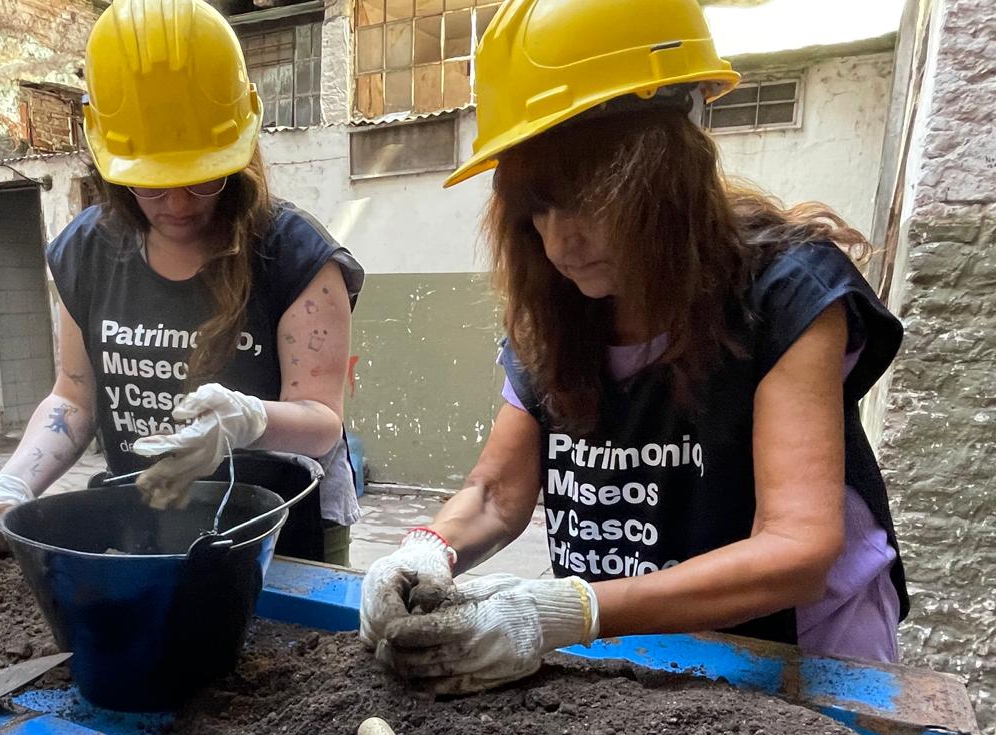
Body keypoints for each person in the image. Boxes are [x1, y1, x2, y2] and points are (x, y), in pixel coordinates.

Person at [360, 0, 908, 695]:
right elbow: (497, 495)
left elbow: (794, 551)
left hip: (800, 660)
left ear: (667, 174)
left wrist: (567, 608)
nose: (561, 244)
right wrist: (425, 551)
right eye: (538, 209)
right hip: (632, 648)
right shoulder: (556, 313)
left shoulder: (788, 291)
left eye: (590, 199)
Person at [0, 0, 363, 565]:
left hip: (280, 536)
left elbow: (321, 422)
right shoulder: (87, 251)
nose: (180, 204)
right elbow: (75, 396)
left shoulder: (296, 255)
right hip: (145, 522)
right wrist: (14, 485)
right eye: (153, 184)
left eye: (203, 178)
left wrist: (247, 420)